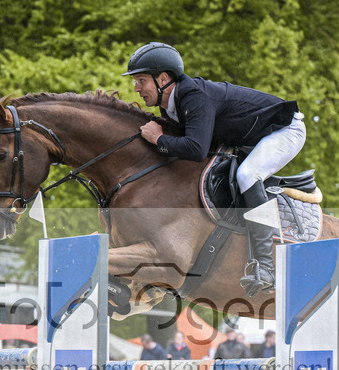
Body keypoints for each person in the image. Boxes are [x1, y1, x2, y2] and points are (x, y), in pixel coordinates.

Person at [124, 42, 305, 297]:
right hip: (248, 138)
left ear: (163, 78)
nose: (136, 88)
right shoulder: (170, 104)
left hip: (284, 131)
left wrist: (159, 140)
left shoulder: (193, 96)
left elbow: (196, 149)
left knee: (247, 175)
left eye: (141, 80)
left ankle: (266, 265)